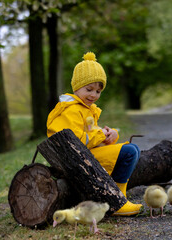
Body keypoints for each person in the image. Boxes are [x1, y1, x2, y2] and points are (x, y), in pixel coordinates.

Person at [46, 52, 142, 216]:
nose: (93, 95)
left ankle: (119, 197)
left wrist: (109, 135)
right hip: (75, 159)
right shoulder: (71, 110)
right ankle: (116, 201)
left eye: (98, 91)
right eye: (89, 89)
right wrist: (100, 135)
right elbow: (76, 141)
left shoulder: (85, 108)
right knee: (129, 152)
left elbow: (92, 135)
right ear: (76, 87)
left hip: (84, 153)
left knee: (134, 149)